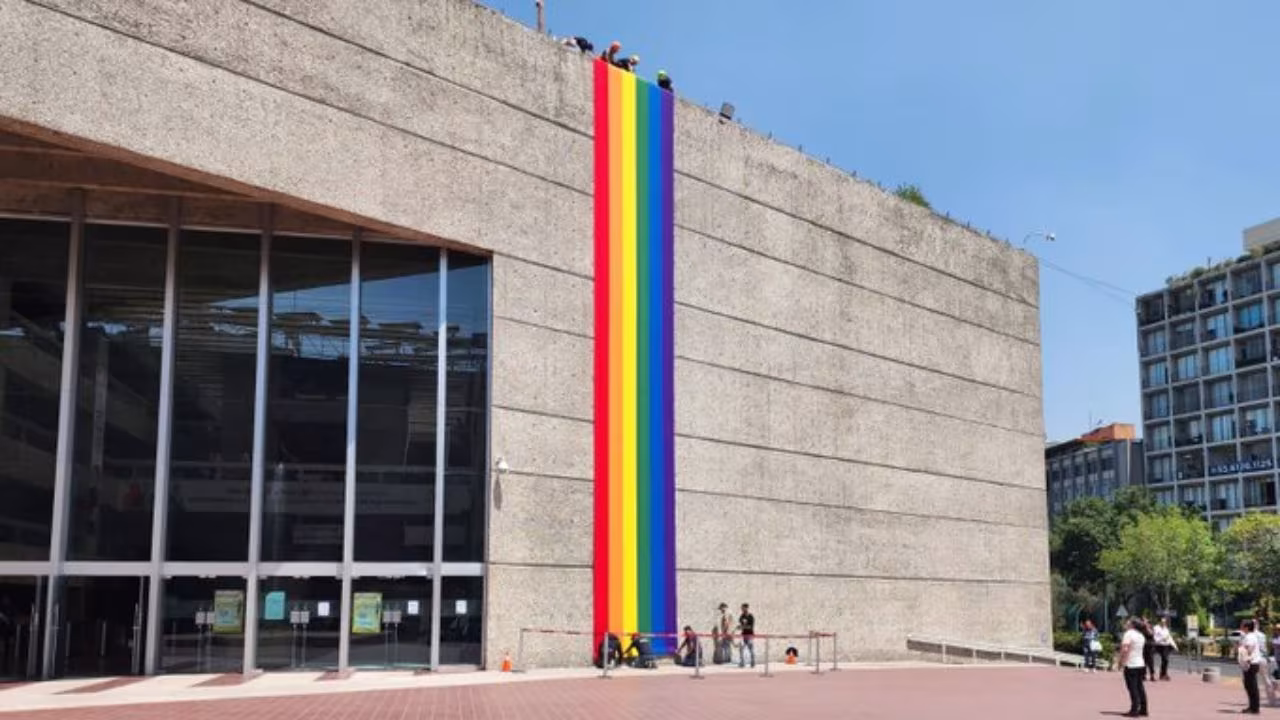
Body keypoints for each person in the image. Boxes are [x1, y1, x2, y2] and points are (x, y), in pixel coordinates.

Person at [1118, 618, 1148, 718]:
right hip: (1140, 663)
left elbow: (1125, 649)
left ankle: (1134, 709)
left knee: (1132, 688)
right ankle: (1143, 708)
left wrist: (1120, 661)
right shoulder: (1141, 635)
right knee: (1140, 687)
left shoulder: (1129, 634)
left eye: (1128, 622)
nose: (1126, 623)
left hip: (1131, 664)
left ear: (1132, 625)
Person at [1240, 619, 1264, 714]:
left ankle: (1254, 708)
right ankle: (1252, 707)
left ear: (1247, 627)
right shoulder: (1250, 636)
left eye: (1242, 625)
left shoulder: (1249, 637)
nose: (1241, 626)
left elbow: (1249, 649)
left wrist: (1245, 659)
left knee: (1251, 687)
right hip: (1252, 663)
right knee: (1250, 686)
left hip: (1251, 663)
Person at [737, 603, 756, 669]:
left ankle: (753, 663)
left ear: (746, 608)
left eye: (742, 608)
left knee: (751, 649)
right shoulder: (742, 616)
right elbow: (741, 624)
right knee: (741, 648)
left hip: (750, 635)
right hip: (743, 635)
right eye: (741, 608)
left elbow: (750, 627)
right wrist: (739, 627)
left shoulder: (751, 617)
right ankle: (742, 663)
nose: (741, 609)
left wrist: (742, 627)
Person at [1139, 618, 1156, 682]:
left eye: (1146, 622)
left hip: (1150, 646)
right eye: (1143, 622)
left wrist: (1147, 626)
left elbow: (1151, 634)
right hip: (1143, 646)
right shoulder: (1141, 629)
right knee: (1143, 661)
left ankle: (1152, 675)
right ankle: (1143, 675)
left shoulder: (1150, 627)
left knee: (1151, 662)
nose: (1144, 623)